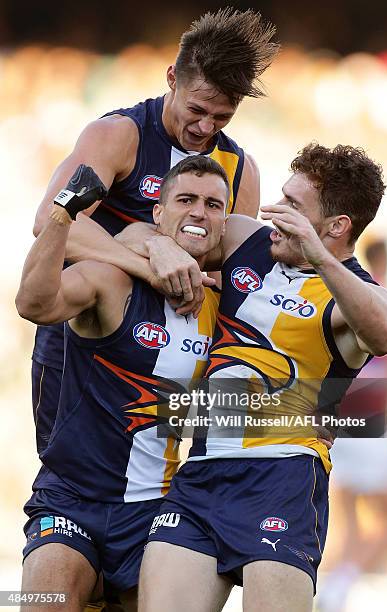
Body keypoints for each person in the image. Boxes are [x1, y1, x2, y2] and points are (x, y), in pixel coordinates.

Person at [121, 143, 387, 612]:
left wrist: (320, 256)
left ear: (336, 228)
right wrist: (158, 247)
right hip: (202, 473)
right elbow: (134, 233)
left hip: (283, 477)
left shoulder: (349, 294)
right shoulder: (246, 241)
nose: (275, 213)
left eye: (293, 207)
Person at [31, 7, 279, 455]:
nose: (205, 129)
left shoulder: (241, 170)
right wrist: (150, 257)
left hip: (173, 354)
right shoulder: (119, 135)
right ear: (171, 78)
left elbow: (237, 276)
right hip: (82, 344)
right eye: (197, 110)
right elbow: (52, 222)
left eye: (221, 118)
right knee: (67, 477)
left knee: (155, 490)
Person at [15, 156, 228, 611]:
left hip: (161, 511)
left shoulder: (225, 304)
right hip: (72, 499)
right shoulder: (113, 280)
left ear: (225, 222)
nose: (198, 212)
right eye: (185, 200)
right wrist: (62, 215)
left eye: (213, 204)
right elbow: (33, 303)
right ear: (157, 213)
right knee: (41, 600)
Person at [317, 238, 387, 612]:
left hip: (339, 420)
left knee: (352, 523)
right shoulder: (380, 300)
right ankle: (338, 588)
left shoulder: (342, 289)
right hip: (368, 423)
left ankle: (333, 593)